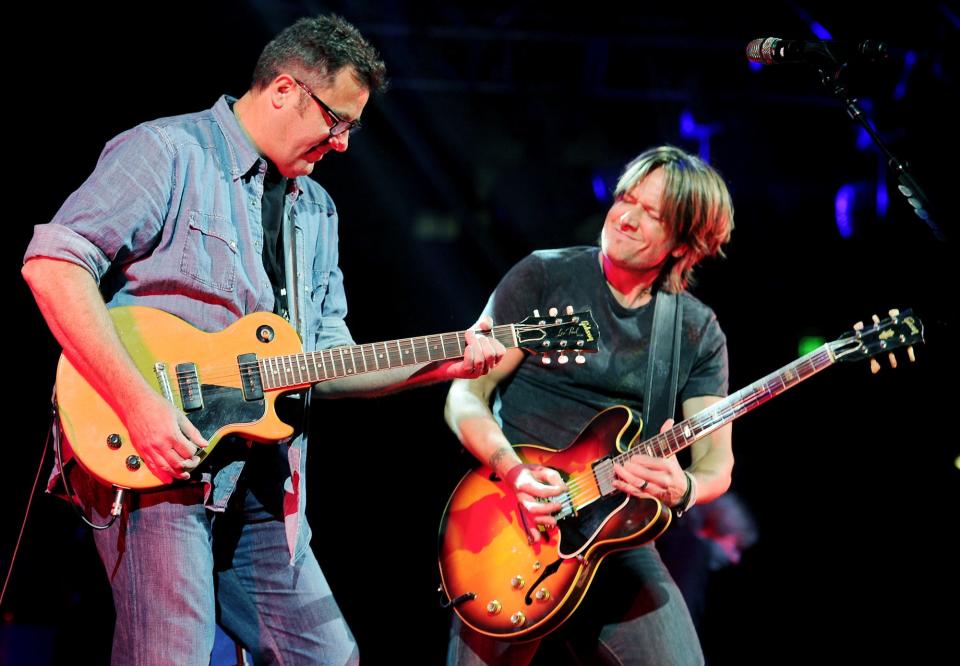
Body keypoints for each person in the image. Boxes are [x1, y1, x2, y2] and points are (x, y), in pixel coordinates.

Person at [22, 14, 503, 665]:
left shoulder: (317, 211)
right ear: (283, 89)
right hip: (162, 458)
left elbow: (326, 365)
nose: (342, 145)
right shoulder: (168, 151)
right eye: (337, 121)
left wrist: (440, 363)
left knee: (327, 658)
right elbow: (53, 263)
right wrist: (140, 405)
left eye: (352, 129)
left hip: (267, 481)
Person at [444, 145, 735, 664]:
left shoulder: (695, 329)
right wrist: (512, 470)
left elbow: (717, 462)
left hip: (618, 536)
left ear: (684, 243)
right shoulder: (543, 275)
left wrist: (686, 486)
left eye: (654, 215)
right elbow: (467, 394)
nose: (626, 217)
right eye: (627, 198)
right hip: (514, 522)